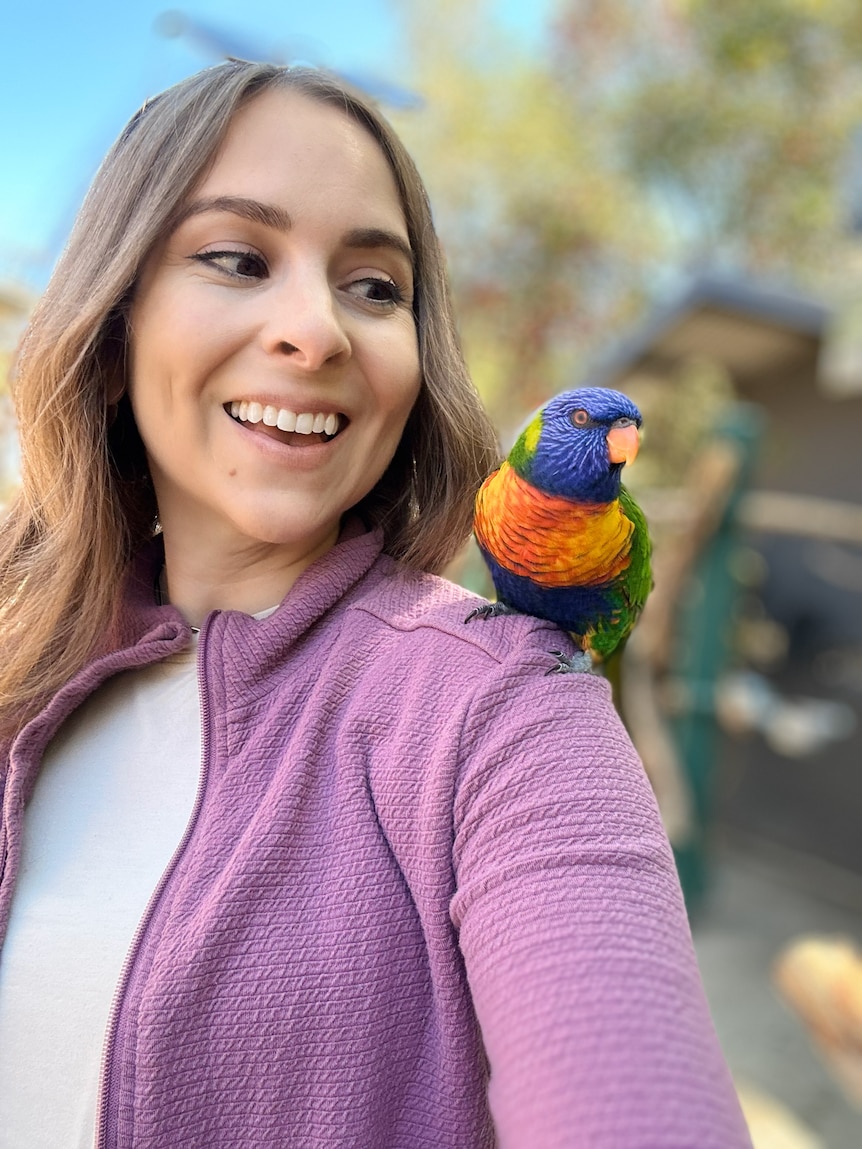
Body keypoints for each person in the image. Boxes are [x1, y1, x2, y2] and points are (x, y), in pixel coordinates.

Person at [0, 61, 752, 1148]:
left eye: (374, 287)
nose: (320, 331)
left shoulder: (505, 716)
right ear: (112, 331)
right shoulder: (25, 656)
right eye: (236, 258)